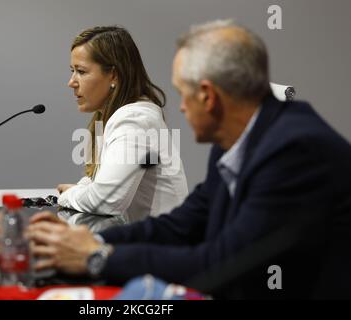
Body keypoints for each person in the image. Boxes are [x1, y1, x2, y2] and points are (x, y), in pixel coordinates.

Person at [27, 20, 351, 299]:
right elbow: (183, 224)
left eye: (183, 94)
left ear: (208, 96)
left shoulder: (294, 152)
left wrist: (98, 258)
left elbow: (223, 262)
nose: (180, 108)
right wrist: (89, 240)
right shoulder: (236, 143)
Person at [55, 26, 188, 230]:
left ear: (114, 76)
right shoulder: (125, 115)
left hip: (162, 249)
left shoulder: (134, 119)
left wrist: (68, 196)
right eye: (72, 71)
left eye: (81, 72)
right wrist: (83, 188)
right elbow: (103, 185)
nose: (71, 82)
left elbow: (107, 200)